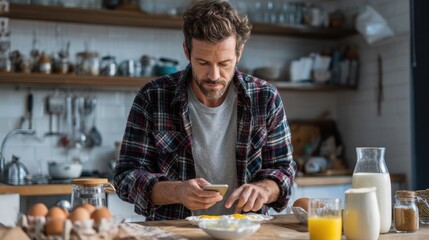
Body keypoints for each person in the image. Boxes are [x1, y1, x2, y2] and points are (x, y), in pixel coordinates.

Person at [113, 0, 296, 221]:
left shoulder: (265, 98)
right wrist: (177, 191)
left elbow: (284, 171)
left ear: (239, 53)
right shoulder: (153, 96)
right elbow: (125, 177)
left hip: (246, 231)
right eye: (203, 62)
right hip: (175, 233)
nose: (214, 75)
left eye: (224, 63)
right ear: (186, 51)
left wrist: (264, 190)